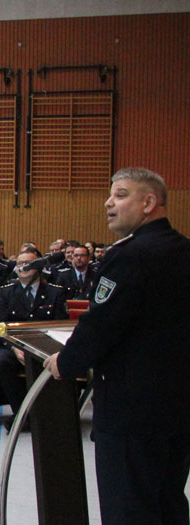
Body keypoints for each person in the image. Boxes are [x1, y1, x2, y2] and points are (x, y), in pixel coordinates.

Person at [44, 168, 190, 525]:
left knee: (129, 506)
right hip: (178, 406)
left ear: (149, 203)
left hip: (131, 409)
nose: (109, 203)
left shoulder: (129, 255)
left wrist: (67, 362)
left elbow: (102, 322)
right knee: (168, 501)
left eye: (121, 195)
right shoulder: (183, 249)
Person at [0, 247, 67, 431]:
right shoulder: (7, 292)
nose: (23, 267)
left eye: (28, 263)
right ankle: (23, 411)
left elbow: (59, 326)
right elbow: (0, 328)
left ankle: (27, 417)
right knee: (0, 362)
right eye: (19, 263)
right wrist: (14, 348)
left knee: (56, 365)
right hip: (16, 347)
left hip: (45, 347)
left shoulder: (54, 292)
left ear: (39, 265)